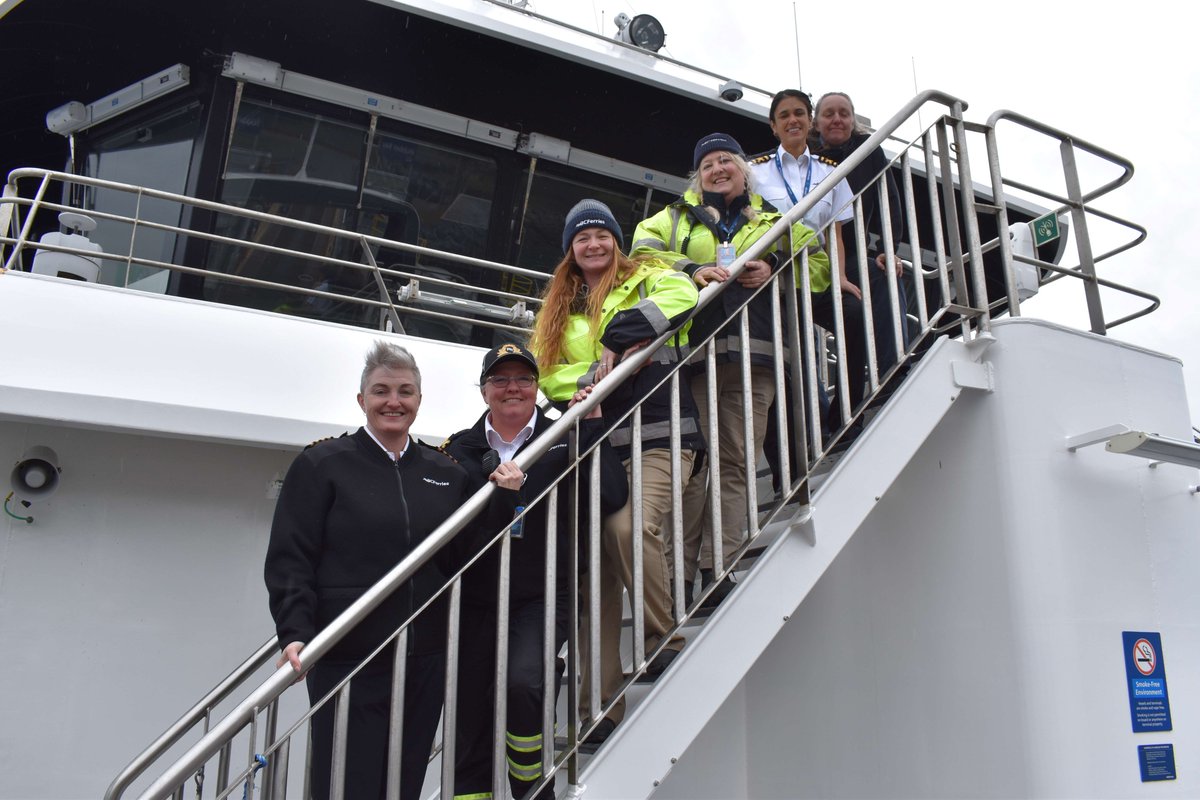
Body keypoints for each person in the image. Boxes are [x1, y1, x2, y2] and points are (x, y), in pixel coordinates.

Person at [529, 198, 703, 745]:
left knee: (626, 530)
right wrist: (598, 373)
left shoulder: (650, 273)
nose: (594, 244)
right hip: (599, 447)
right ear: (570, 250)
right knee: (594, 580)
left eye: (602, 234)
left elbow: (685, 295)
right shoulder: (558, 307)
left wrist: (617, 338)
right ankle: (596, 711)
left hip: (660, 431)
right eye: (582, 238)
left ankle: (661, 635)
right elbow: (549, 377)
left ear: (616, 240)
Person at [264, 341, 471, 800]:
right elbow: (290, 556)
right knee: (345, 783)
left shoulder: (447, 473)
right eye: (381, 391)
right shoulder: (322, 465)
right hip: (347, 654)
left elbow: (461, 562)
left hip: (424, 656)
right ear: (362, 400)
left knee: (403, 782)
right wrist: (295, 631)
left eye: (405, 391)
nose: (393, 402)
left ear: (419, 400)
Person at [631, 132, 830, 608]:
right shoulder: (672, 218)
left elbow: (819, 266)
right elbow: (640, 254)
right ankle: (679, 578)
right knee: (694, 469)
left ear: (744, 170)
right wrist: (687, 269)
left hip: (756, 357)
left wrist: (775, 266)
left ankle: (719, 569)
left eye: (726, 161)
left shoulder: (773, 218)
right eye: (707, 165)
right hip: (691, 358)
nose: (717, 169)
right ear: (696, 177)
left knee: (736, 462)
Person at [441, 342, 627, 799]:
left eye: (523, 379)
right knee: (470, 716)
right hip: (476, 596)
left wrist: (594, 423)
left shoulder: (563, 436)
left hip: (543, 592)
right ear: (484, 391)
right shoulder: (457, 449)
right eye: (500, 379)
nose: (513, 388)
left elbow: (610, 497)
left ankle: (531, 789)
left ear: (536, 386)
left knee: (524, 682)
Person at [751, 88, 869, 426]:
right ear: (774, 126)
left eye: (799, 113)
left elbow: (835, 231)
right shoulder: (754, 171)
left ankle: (846, 413)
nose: (793, 120)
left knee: (854, 315)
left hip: (815, 276)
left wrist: (841, 276)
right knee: (788, 361)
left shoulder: (829, 171)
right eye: (784, 115)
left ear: (810, 121)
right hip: (773, 279)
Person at [812, 90, 912, 376]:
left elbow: (888, 200)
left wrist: (887, 248)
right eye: (828, 114)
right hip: (810, 255)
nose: (837, 119)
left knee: (882, 275)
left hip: (852, 253)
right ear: (816, 123)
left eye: (844, 114)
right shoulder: (808, 158)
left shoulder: (867, 149)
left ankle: (894, 368)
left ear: (853, 120)